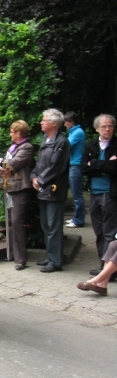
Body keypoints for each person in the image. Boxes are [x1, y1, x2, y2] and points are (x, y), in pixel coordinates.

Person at [30, 109, 70, 273]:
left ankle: (56, 261)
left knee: (54, 226)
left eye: (44, 119)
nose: (41, 122)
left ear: (54, 123)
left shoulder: (61, 142)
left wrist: (40, 179)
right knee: (46, 225)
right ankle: (51, 256)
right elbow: (39, 163)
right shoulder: (45, 139)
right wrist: (33, 176)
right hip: (43, 189)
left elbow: (56, 167)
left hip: (54, 190)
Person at [80, 114, 117, 278]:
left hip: (110, 193)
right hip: (94, 193)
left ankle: (108, 270)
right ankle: (103, 265)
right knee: (99, 232)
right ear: (97, 129)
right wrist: (105, 164)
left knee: (110, 232)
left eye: (110, 126)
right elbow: (83, 168)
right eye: (104, 126)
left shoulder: (116, 145)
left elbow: (114, 168)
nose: (107, 129)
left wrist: (93, 163)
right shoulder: (91, 145)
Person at [0, 120, 35, 270]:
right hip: (9, 188)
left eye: (12, 132)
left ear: (19, 133)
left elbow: (13, 163)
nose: (10, 134)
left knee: (17, 221)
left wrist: (2, 161)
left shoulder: (27, 147)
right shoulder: (14, 147)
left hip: (19, 188)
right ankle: (12, 253)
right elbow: (8, 165)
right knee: (10, 222)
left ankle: (21, 259)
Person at [63, 112, 86, 227]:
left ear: (71, 121)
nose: (65, 124)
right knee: (75, 193)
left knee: (77, 195)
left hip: (76, 166)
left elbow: (67, 146)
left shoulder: (78, 132)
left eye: (66, 122)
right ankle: (76, 218)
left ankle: (78, 220)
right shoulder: (73, 132)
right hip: (72, 165)